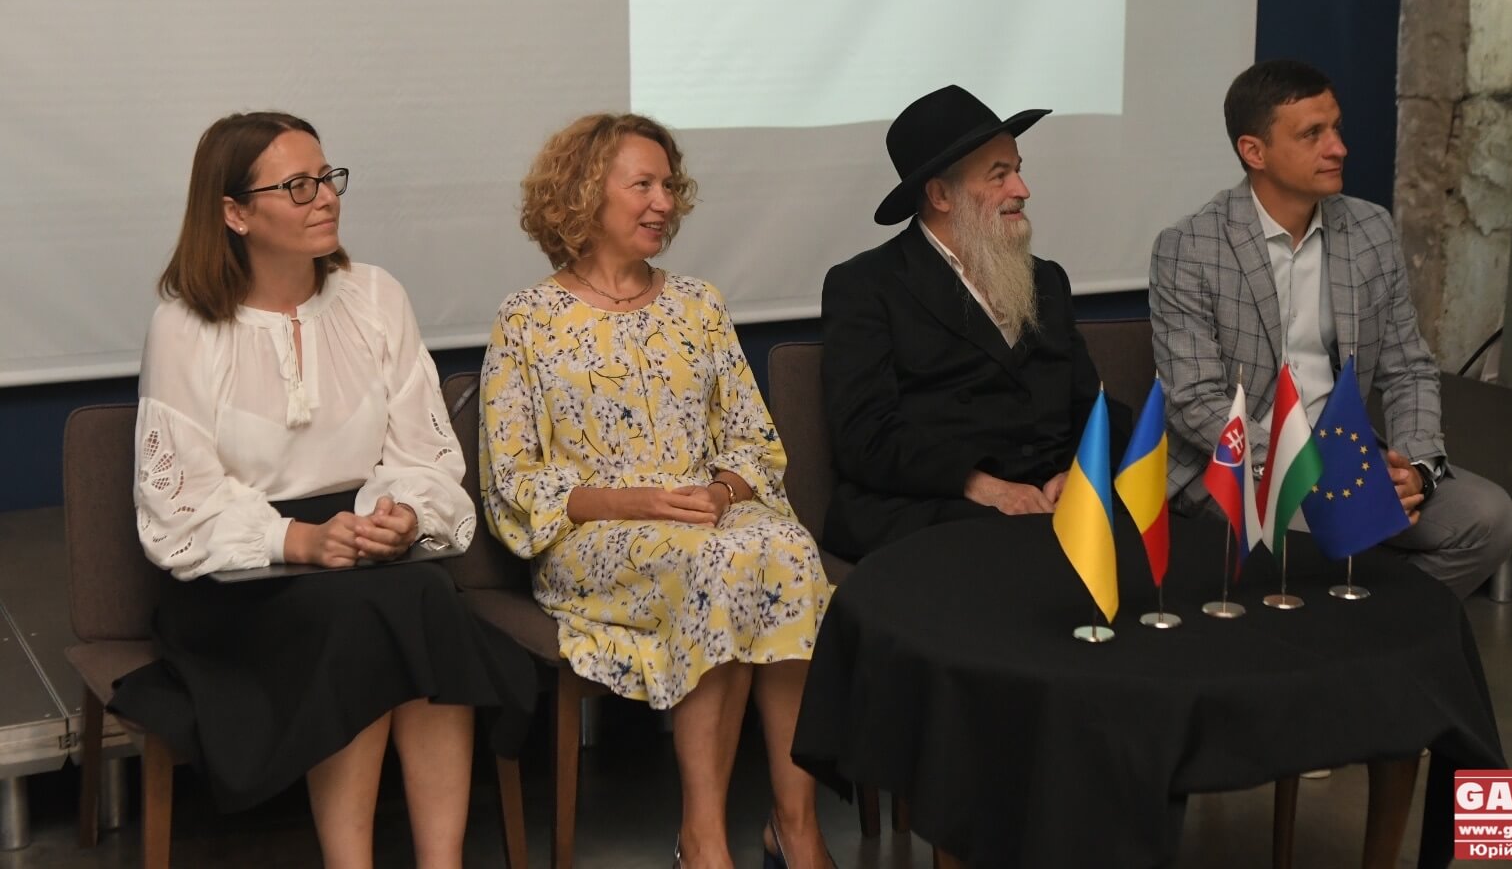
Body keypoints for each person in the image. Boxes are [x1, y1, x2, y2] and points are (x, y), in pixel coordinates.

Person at [111, 112, 534, 869]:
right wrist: (296, 541)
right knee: (374, 615)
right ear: (234, 213)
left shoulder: (375, 297)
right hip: (240, 584)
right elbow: (178, 508)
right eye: (298, 186)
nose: (326, 197)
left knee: (421, 595)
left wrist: (403, 516)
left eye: (328, 177)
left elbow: (424, 452)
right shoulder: (183, 327)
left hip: (366, 553)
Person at [480, 113, 836, 869]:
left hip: (710, 519)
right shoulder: (527, 319)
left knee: (788, 551)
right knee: (725, 563)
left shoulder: (699, 304)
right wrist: (639, 502)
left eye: (669, 186)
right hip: (594, 540)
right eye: (642, 185)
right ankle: (703, 838)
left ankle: (795, 824)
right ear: (584, 193)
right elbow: (514, 479)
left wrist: (721, 491)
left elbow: (754, 440)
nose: (664, 203)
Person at [1149, 59, 1512, 597]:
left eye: (1336, 128)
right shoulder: (1189, 248)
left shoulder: (1370, 229)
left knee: (1488, 519)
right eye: (1312, 134)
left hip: (1349, 458)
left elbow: (1409, 369)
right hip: (1240, 469)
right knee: (1328, 535)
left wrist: (1416, 466)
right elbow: (1194, 400)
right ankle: (1349, 622)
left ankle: (1380, 627)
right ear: (1254, 151)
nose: (1338, 148)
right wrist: (1306, 471)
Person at [819, 84, 1129, 561]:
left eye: (1018, 170)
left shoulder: (1046, 279)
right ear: (941, 194)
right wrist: (985, 487)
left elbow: (1090, 404)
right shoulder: (866, 286)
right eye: (999, 176)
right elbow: (866, 439)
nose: (1022, 190)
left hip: (1052, 499)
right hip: (942, 505)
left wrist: (1079, 471)